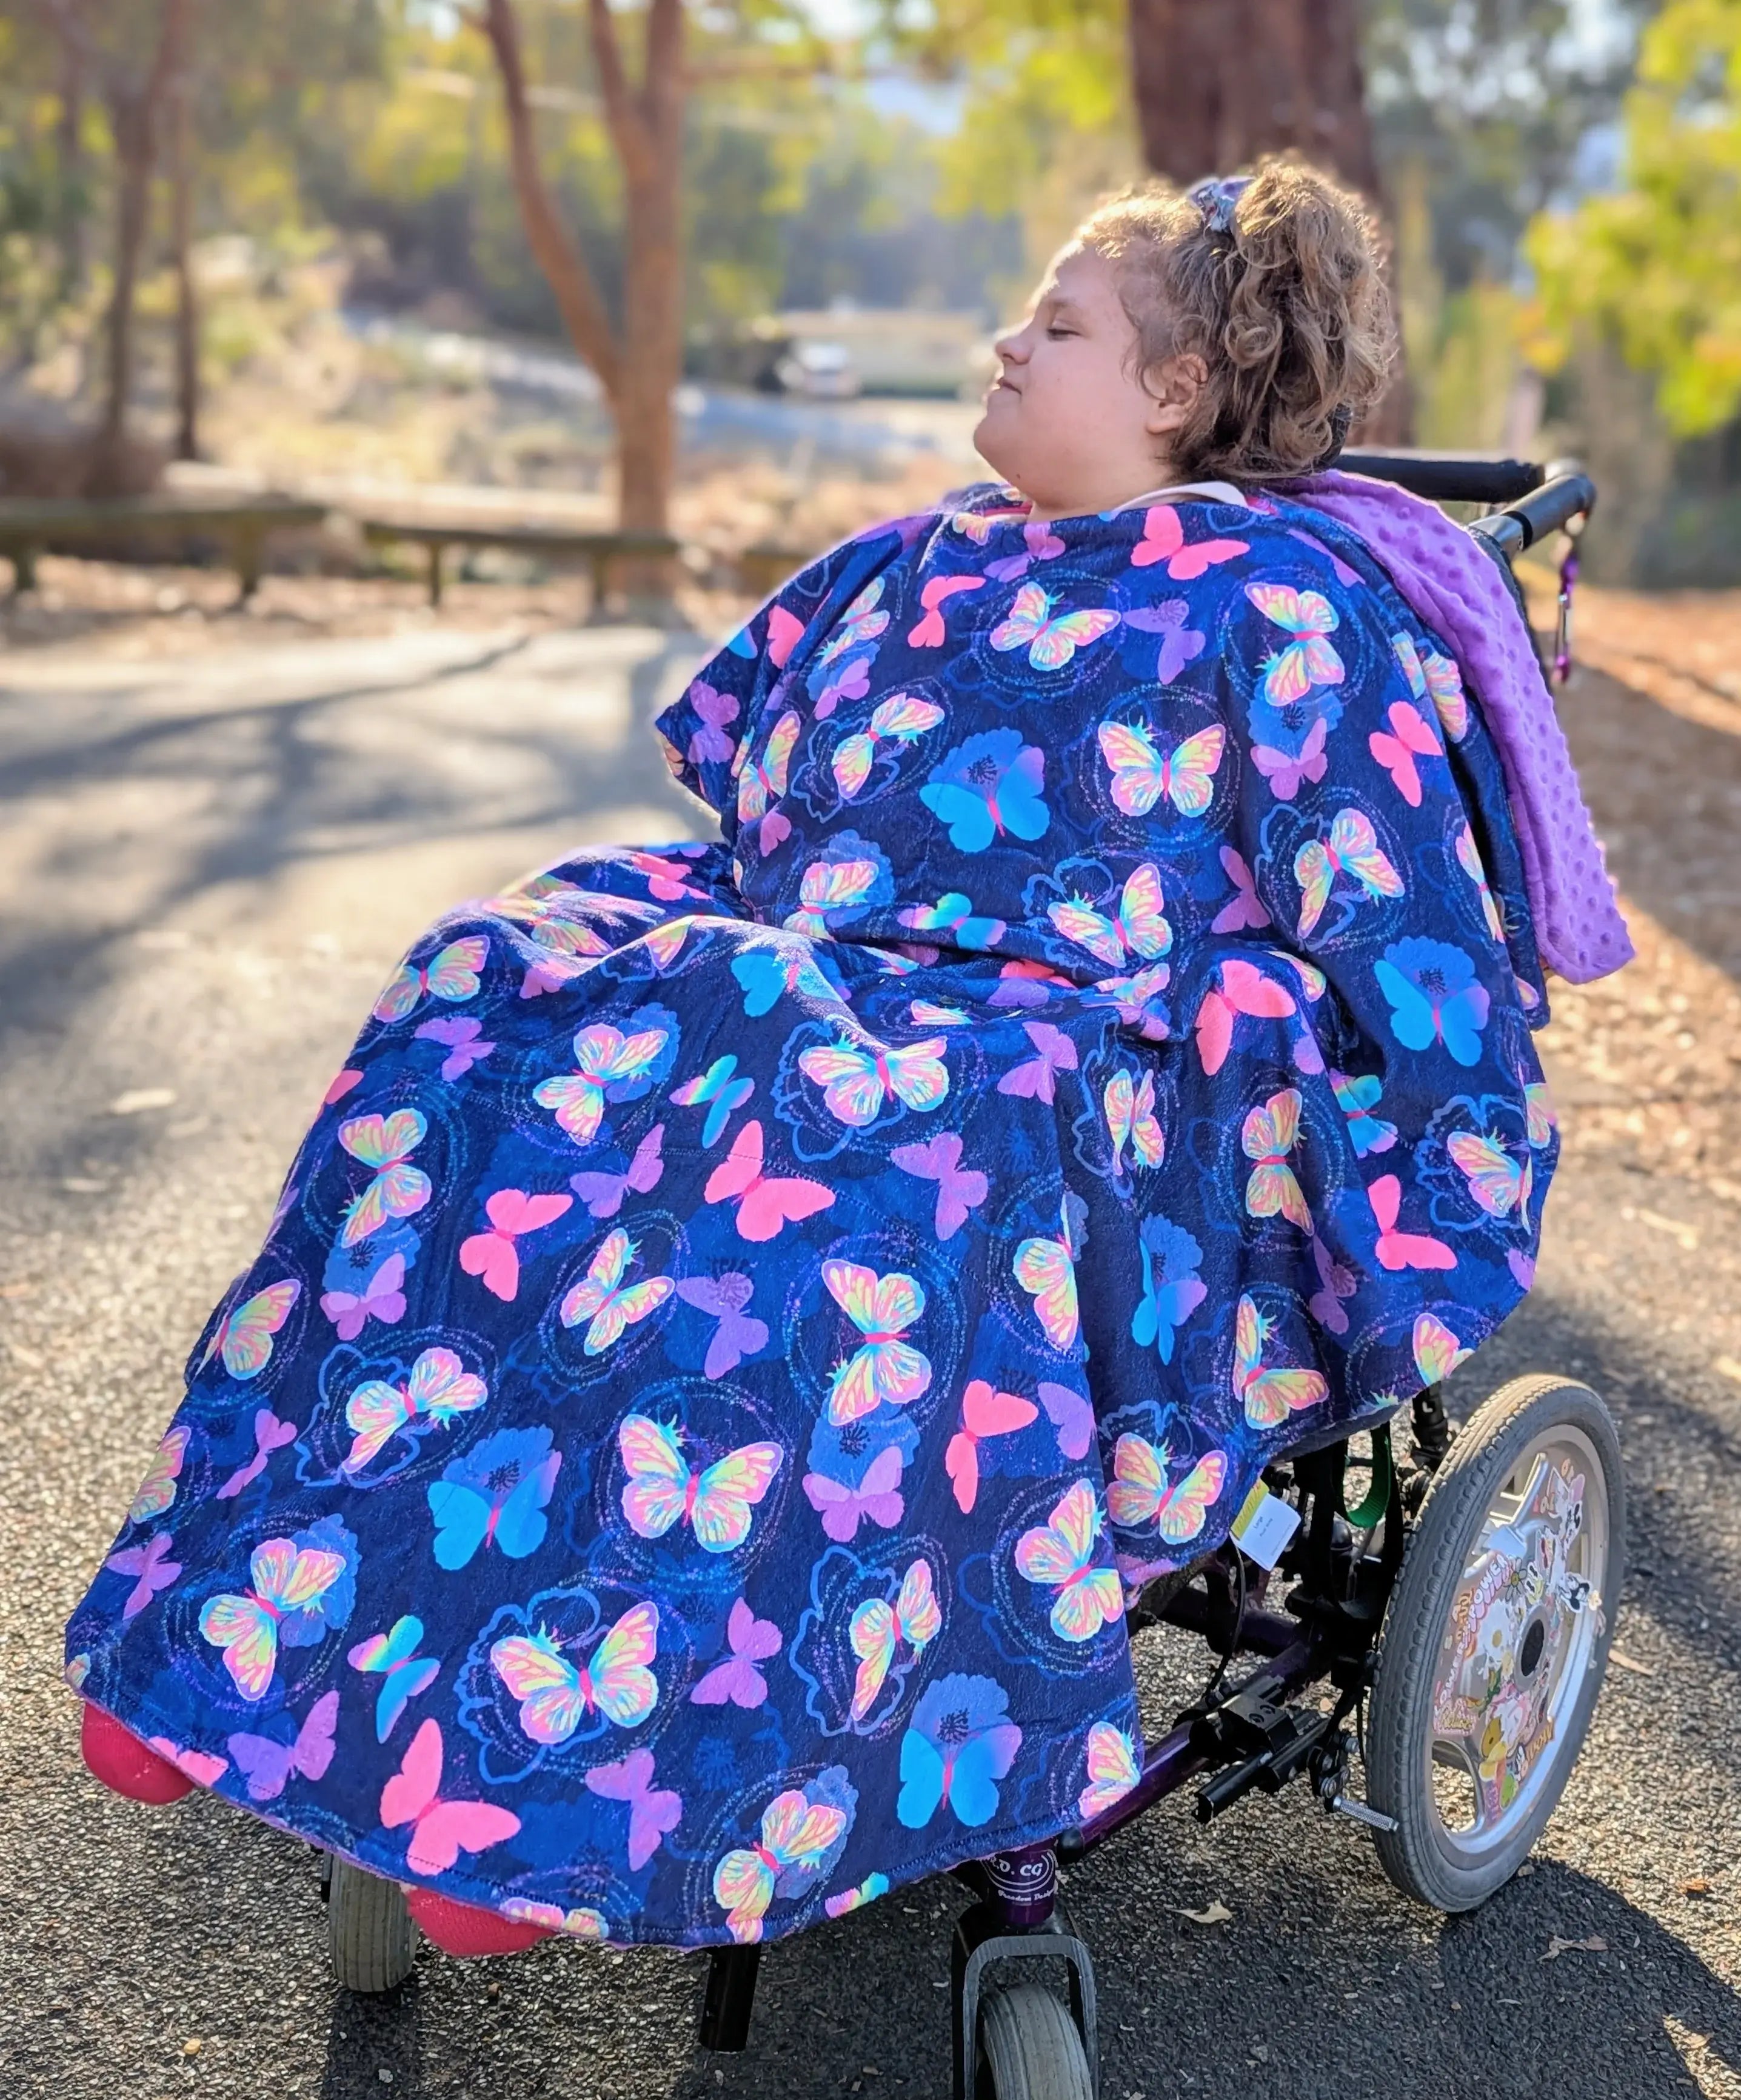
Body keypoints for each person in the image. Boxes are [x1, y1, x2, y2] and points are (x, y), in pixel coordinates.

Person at [67, 158, 1628, 1958]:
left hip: (1065, 1033)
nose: (1005, 339)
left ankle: (570, 1764)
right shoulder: (914, 558)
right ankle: (244, 1631)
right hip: (817, 965)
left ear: (1176, 396)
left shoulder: (1276, 604)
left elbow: (1395, 925)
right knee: (478, 1015)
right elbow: (767, 801)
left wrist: (1425, 1140)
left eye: (1056, 324)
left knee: (856, 1161)